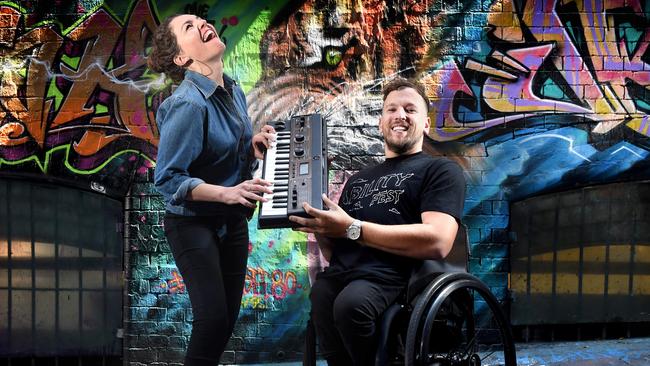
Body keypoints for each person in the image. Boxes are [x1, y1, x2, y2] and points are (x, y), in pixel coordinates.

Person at [289, 78, 466, 365]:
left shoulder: (440, 170)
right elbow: (337, 252)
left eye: (411, 109)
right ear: (381, 123)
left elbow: (438, 240)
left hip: (391, 276)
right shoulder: (357, 180)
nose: (400, 115)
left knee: (350, 305)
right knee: (322, 296)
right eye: (391, 109)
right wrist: (319, 227)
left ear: (425, 125)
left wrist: (351, 228)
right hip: (341, 275)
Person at [148, 14, 275, 366]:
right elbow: (169, 179)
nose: (201, 23)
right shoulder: (188, 103)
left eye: (200, 20)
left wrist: (252, 147)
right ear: (181, 59)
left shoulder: (232, 90)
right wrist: (228, 193)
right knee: (212, 320)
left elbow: (221, 153)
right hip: (192, 223)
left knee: (225, 324)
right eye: (188, 27)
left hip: (230, 220)